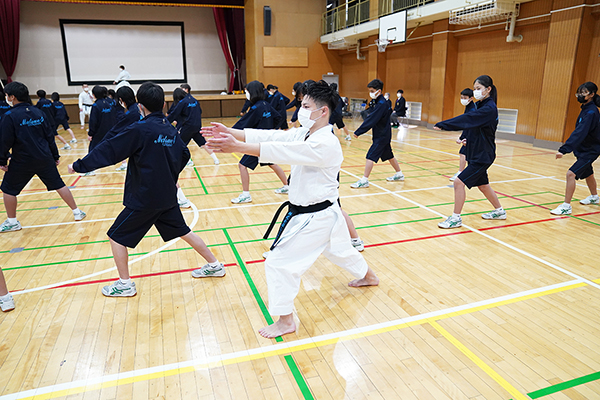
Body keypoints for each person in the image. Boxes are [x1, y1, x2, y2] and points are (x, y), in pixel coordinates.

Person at [202, 80, 379, 339]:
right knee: (340, 250)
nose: (300, 110)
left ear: (323, 112)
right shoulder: (305, 133)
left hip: (316, 217)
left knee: (278, 264)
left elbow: (284, 150)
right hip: (324, 214)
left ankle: (286, 321)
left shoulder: (325, 143)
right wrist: (232, 132)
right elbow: (274, 136)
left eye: (306, 106)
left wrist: (237, 147)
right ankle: (369, 276)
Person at [68, 82, 224, 297]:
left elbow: (110, 150)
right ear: (163, 104)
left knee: (116, 236)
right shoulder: (170, 129)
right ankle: (214, 265)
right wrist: (170, 175)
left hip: (145, 198)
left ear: (140, 106)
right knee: (183, 230)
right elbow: (184, 154)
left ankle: (124, 284)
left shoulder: (140, 129)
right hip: (167, 195)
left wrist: (79, 166)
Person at [0, 81, 86, 233]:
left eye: (7, 95)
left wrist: (2, 160)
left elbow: (4, 141)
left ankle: (12, 222)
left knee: (8, 189)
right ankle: (77, 212)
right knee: (59, 184)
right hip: (44, 157)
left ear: (12, 97)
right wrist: (55, 155)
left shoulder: (10, 116)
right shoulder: (39, 112)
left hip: (22, 160)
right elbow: (49, 136)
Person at [434, 75, 506, 228]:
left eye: (478, 89)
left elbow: (469, 119)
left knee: (459, 182)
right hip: (476, 152)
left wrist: (445, 124)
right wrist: (468, 139)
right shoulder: (481, 106)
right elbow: (476, 128)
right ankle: (500, 211)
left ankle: (456, 218)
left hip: (483, 156)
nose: (476, 92)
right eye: (474, 89)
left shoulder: (489, 108)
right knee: (483, 185)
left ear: (488, 89)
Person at [230, 80, 289, 204]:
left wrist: (227, 132)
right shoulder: (266, 104)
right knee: (272, 163)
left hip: (258, 143)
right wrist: (271, 130)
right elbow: (278, 117)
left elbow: (242, 123)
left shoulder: (256, 108)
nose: (246, 94)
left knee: (242, 165)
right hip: (267, 141)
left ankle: (246, 194)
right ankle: (287, 186)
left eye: (247, 91)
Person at [551, 81, 600, 215]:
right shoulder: (585, 109)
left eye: (583, 92)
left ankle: (566, 206)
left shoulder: (590, 112)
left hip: (591, 151)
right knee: (588, 173)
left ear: (591, 95)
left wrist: (564, 149)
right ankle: (594, 196)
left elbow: (580, 132)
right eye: (579, 91)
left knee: (571, 174)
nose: (580, 94)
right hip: (584, 149)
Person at [351, 79, 405, 188]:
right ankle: (399, 174)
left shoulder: (382, 104)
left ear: (379, 91)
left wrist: (359, 131)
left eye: (372, 90)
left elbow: (372, 119)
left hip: (382, 135)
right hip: (382, 133)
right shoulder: (377, 102)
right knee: (389, 155)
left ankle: (364, 180)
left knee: (370, 156)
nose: (370, 93)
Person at [103, 86, 142, 172]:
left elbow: (115, 131)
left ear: (121, 99)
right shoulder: (138, 108)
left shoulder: (131, 113)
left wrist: (103, 143)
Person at [449, 88, 476, 181]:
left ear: (471, 98)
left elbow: (470, 126)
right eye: (461, 97)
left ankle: (460, 173)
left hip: (472, 135)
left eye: (465, 97)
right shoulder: (468, 108)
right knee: (467, 154)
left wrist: (465, 138)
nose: (462, 99)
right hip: (469, 135)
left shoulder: (472, 110)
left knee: (463, 153)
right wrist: (462, 137)